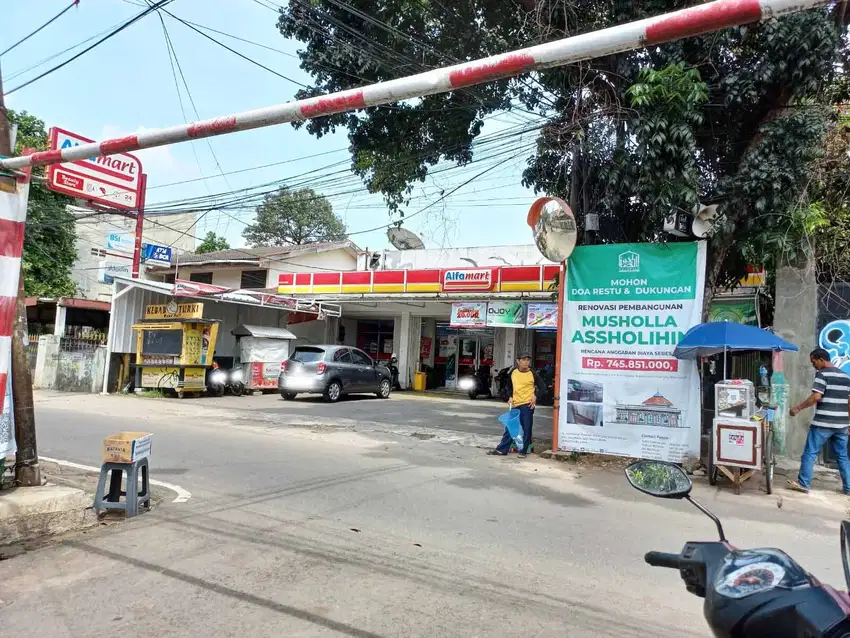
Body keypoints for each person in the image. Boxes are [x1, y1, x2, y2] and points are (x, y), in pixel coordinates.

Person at [787, 348, 850, 494]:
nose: (813, 365)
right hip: (841, 425)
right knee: (842, 456)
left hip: (823, 423)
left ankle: (804, 484)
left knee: (810, 453)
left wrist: (798, 407)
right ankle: (848, 487)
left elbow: (816, 397)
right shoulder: (846, 377)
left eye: (813, 361)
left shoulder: (822, 374)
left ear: (821, 359)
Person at [487, 352, 545, 458]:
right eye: (524, 359)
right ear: (518, 361)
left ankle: (523, 451)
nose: (526, 362)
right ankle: (502, 449)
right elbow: (509, 386)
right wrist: (509, 396)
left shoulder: (533, 373)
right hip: (515, 404)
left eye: (528, 360)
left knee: (527, 428)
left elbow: (543, 387)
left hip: (527, 405)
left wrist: (535, 396)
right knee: (510, 427)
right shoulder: (513, 372)